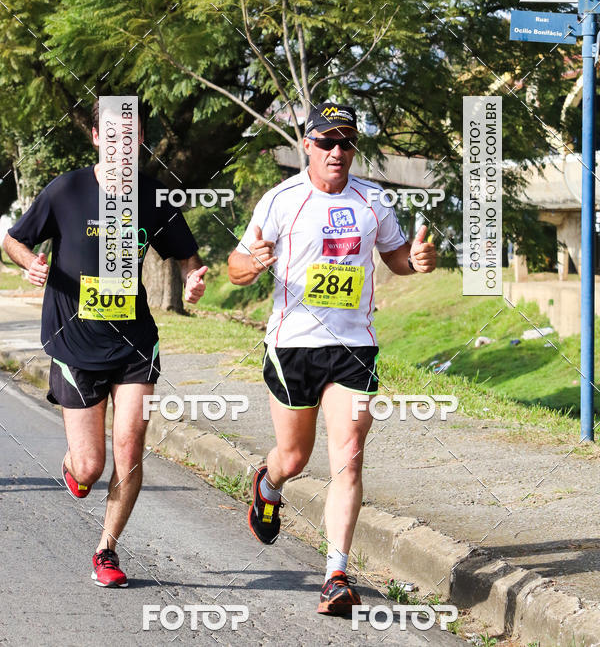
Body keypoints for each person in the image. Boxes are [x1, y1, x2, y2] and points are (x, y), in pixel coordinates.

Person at [228, 101, 436, 615]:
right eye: (327, 142)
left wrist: (416, 261)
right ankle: (268, 483)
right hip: (292, 346)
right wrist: (249, 265)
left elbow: (396, 256)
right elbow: (235, 266)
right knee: (295, 458)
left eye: (346, 142)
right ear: (308, 146)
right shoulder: (281, 201)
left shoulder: (373, 200)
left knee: (348, 455)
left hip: (352, 346)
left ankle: (336, 574)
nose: (338, 151)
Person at [2, 98, 208, 588]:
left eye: (131, 135)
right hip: (73, 341)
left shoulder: (154, 197)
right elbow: (13, 238)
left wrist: (194, 279)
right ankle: (76, 466)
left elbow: (187, 257)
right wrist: (27, 262)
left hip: (134, 342)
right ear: (96, 138)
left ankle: (107, 549)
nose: (122, 144)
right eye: (112, 134)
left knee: (130, 447)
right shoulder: (66, 190)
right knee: (91, 465)